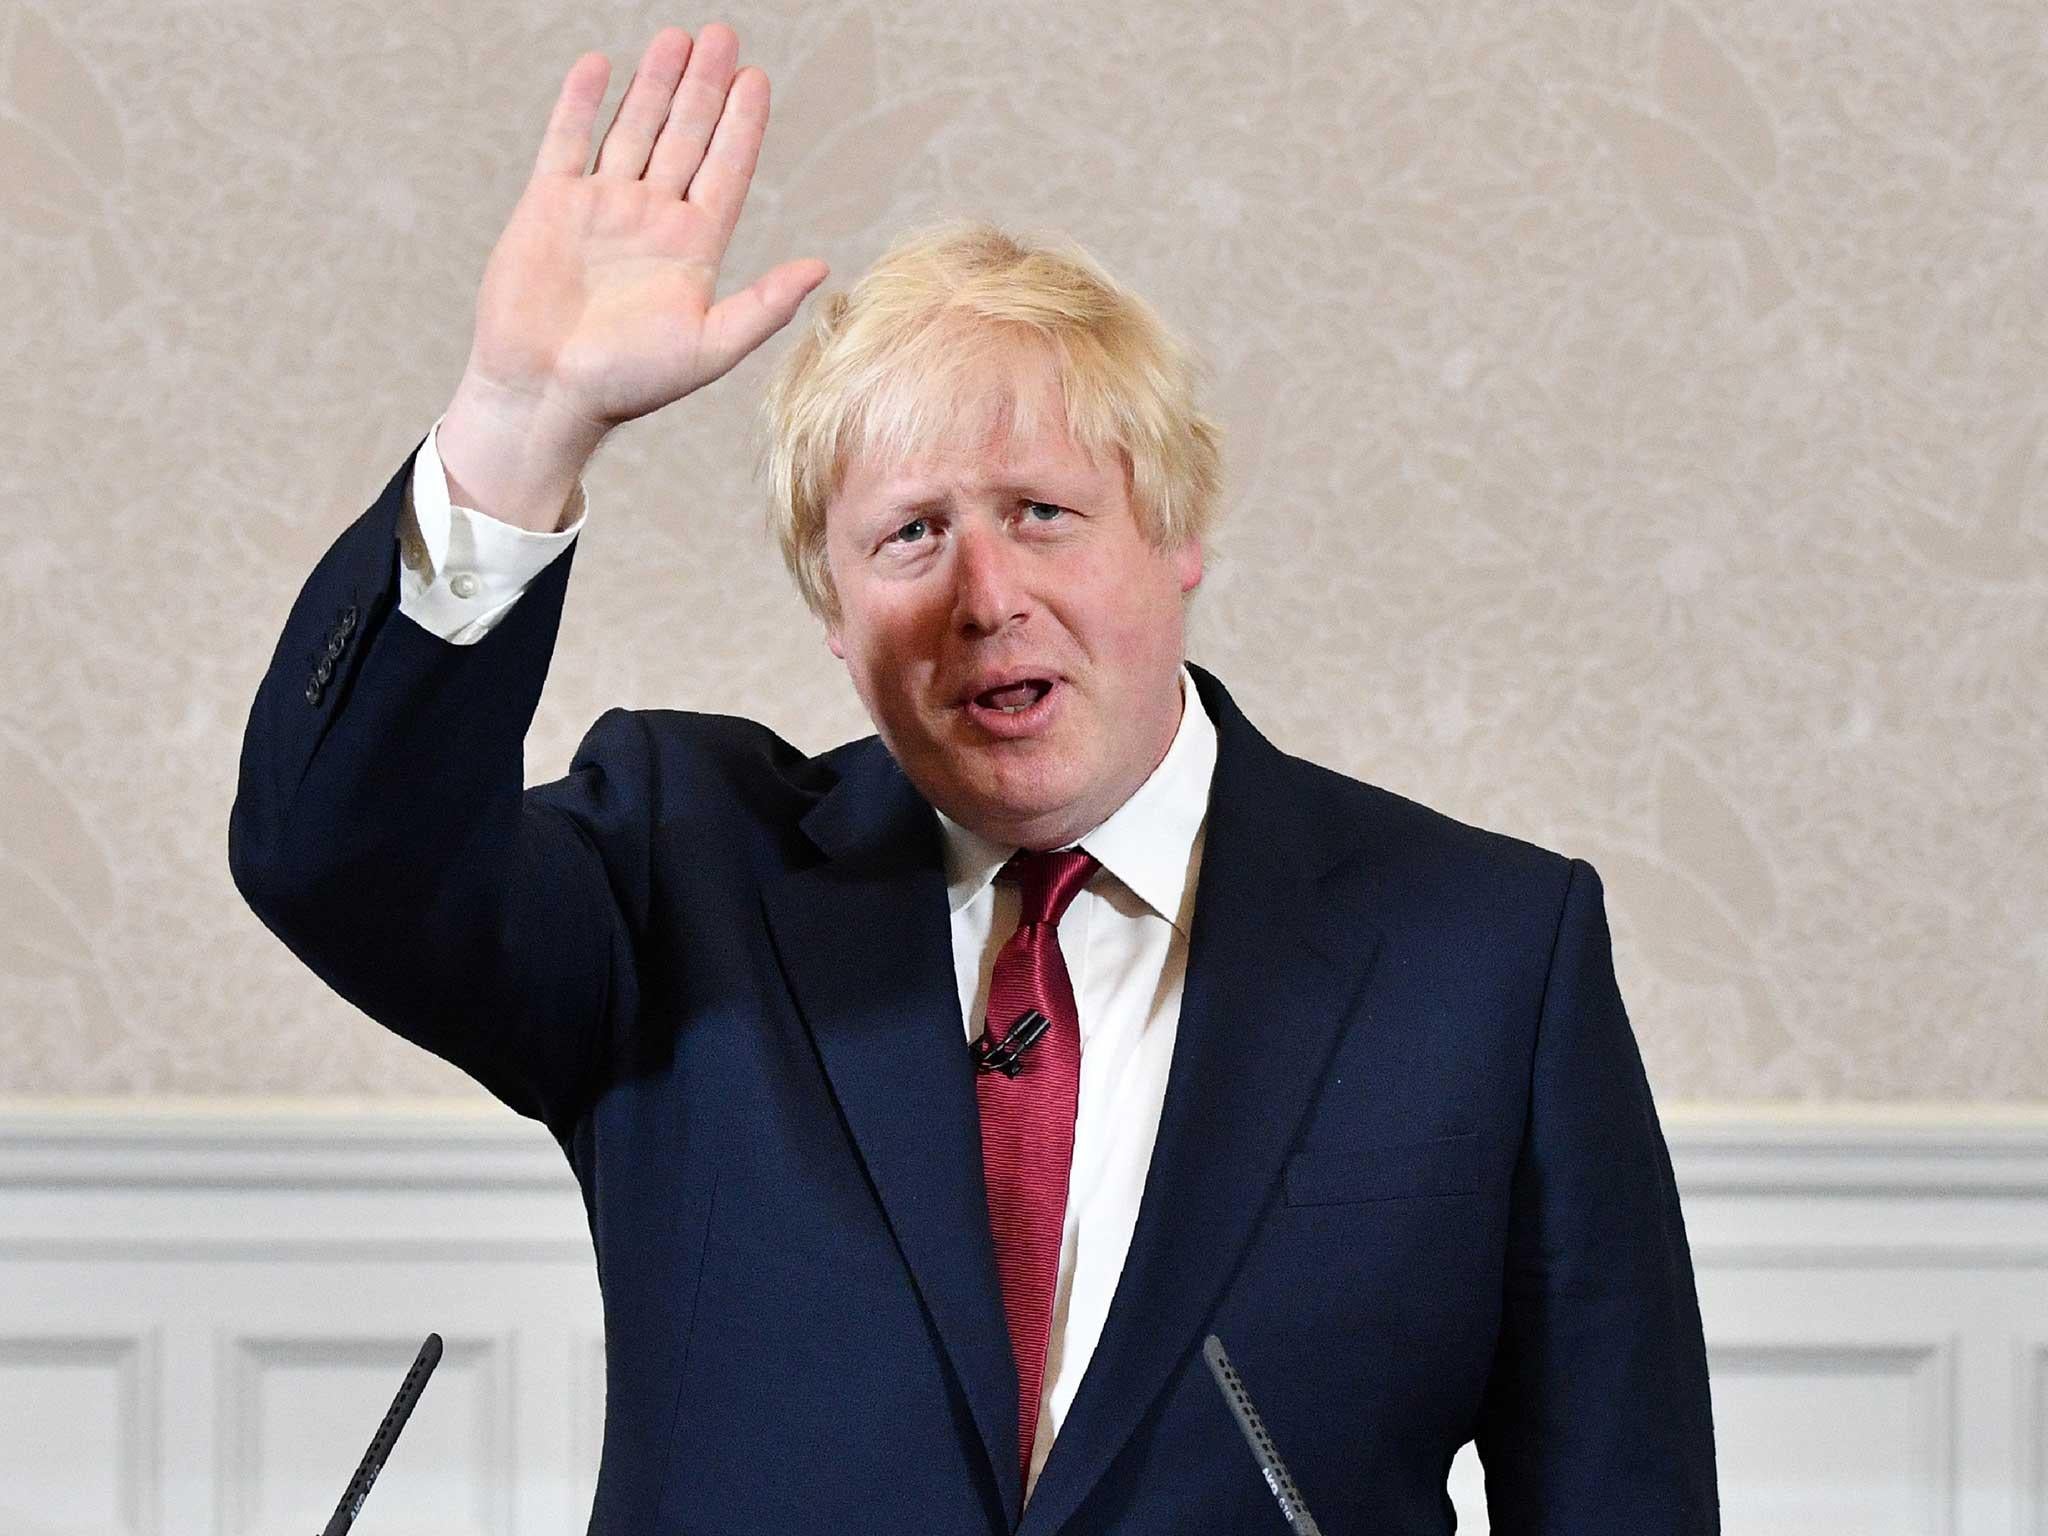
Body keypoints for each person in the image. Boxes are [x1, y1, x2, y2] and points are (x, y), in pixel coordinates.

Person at [229, 22, 1719, 1535]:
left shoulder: (1484, 953)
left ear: (1178, 533)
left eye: (1045, 510)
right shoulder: (683, 874)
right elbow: (334, 857)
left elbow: (1618, 1493)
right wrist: (517, 424)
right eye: (908, 535)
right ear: (832, 610)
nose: (986, 592)